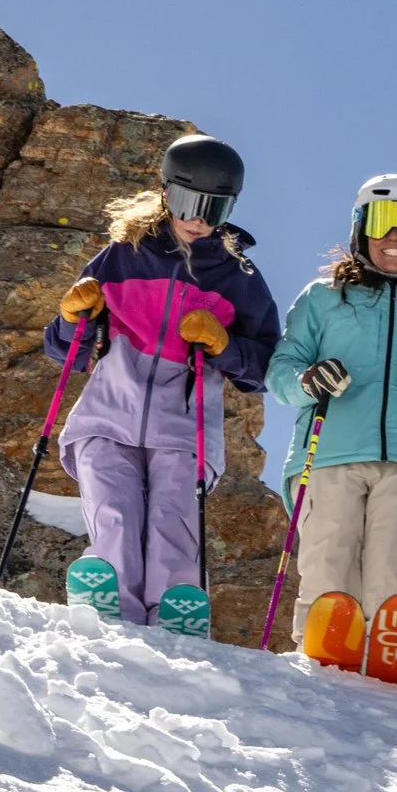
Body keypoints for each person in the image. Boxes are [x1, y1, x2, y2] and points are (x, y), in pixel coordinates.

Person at [45, 135, 281, 626]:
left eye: (214, 208)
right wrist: (72, 317)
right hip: (107, 415)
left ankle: (174, 611)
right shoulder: (122, 257)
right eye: (189, 203)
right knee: (115, 514)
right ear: (165, 192)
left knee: (172, 521)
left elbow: (263, 369)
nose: (199, 219)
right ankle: (111, 608)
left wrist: (222, 345)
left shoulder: (238, 276)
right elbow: (66, 350)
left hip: (184, 428)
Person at [266, 174, 397, 642]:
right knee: (328, 577)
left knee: (393, 584)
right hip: (330, 453)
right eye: (383, 222)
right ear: (361, 228)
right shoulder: (323, 297)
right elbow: (282, 369)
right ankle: (320, 670)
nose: (394, 238)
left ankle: (387, 684)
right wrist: (308, 381)